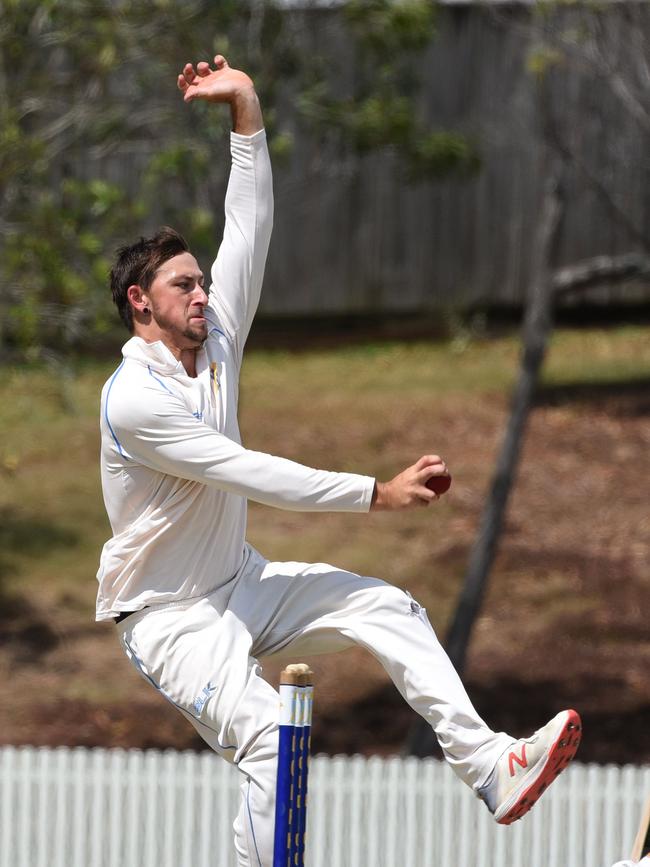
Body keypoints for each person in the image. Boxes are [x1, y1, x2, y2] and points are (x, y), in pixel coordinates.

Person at [96, 55, 582, 866]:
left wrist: (246, 110)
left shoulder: (214, 340)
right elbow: (247, 470)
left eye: (202, 281)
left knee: (388, 607)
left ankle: (491, 765)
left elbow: (249, 226)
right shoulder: (134, 400)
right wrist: (377, 495)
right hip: (170, 618)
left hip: (238, 582)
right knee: (271, 747)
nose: (204, 293)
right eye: (184, 285)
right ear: (141, 302)